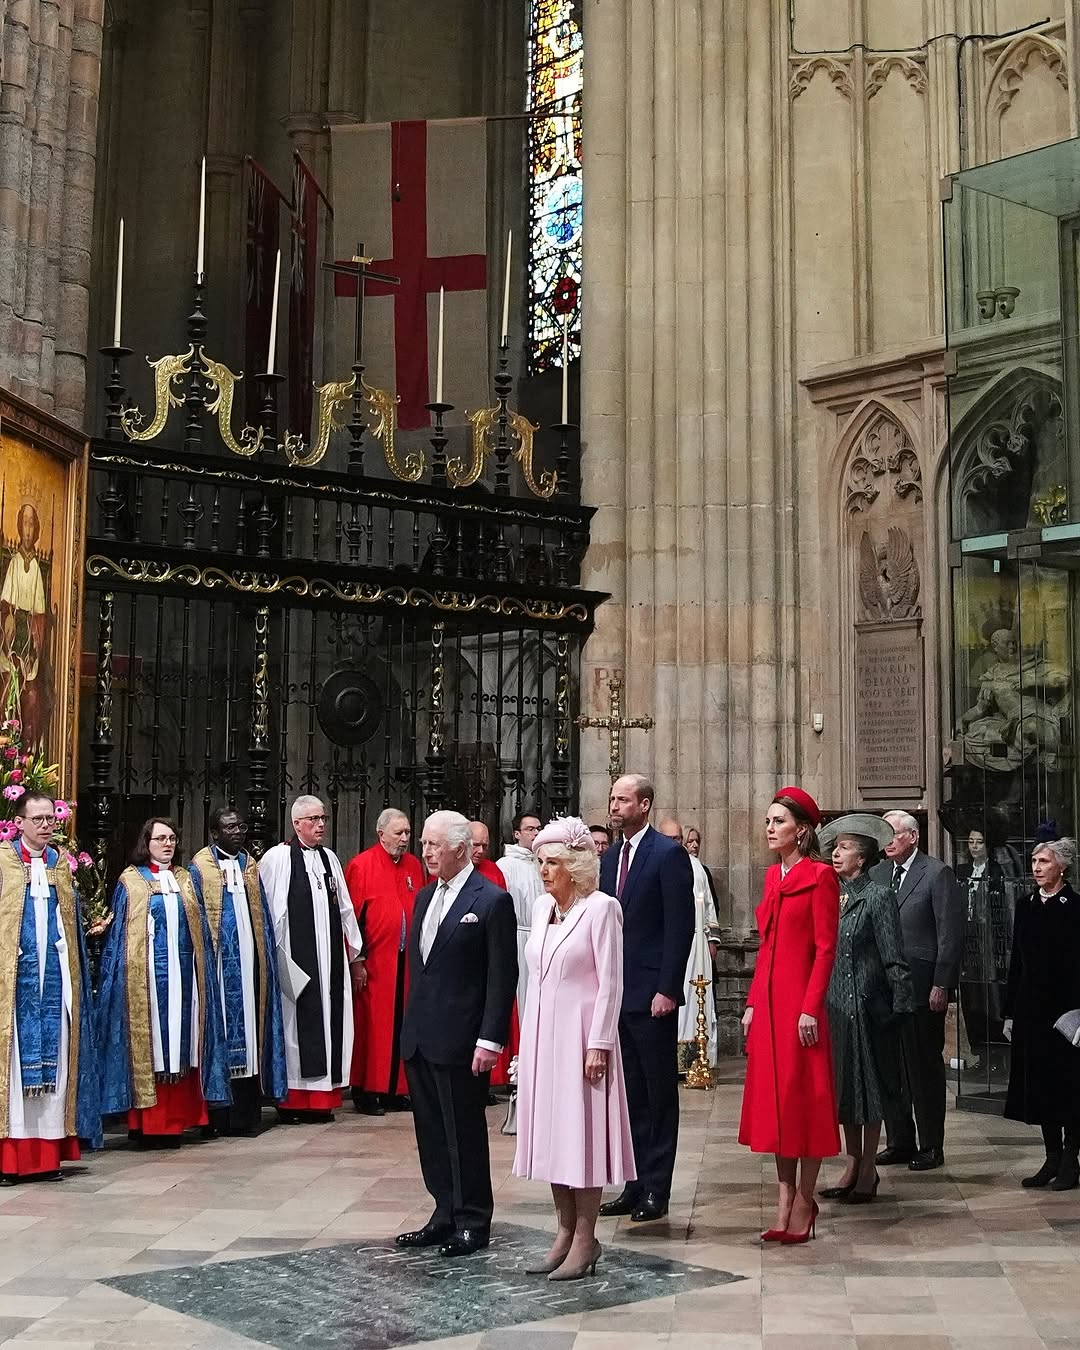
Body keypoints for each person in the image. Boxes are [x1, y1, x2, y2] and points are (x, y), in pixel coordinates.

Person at [514, 817, 634, 1281]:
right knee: (553, 1136)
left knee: (583, 1138)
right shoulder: (544, 910)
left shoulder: (601, 908)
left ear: (577, 866)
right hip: (545, 1036)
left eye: (554, 863)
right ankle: (563, 1231)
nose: (544, 871)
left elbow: (611, 981)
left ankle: (586, 1236)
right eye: (541, 862)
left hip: (584, 1038)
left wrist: (600, 1042)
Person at [396, 811, 517, 1258]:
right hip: (423, 1035)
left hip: (464, 1039)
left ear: (461, 848)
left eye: (433, 844)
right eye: (423, 843)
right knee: (430, 1131)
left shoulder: (490, 900)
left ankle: (472, 1218)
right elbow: (422, 970)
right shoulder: (425, 898)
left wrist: (491, 1038)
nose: (425, 851)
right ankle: (443, 1211)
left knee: (463, 1132)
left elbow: (501, 976)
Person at [738, 787, 840, 1243]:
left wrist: (810, 1008)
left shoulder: (819, 877)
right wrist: (753, 1004)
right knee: (776, 1104)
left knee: (806, 1102)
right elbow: (767, 949)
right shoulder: (771, 878)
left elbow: (825, 949)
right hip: (771, 1007)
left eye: (778, 821)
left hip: (801, 1009)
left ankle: (804, 1199)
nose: (770, 828)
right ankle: (781, 1202)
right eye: (767, 820)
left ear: (801, 829)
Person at [97, 817, 229, 1144]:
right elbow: (121, 938)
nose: (167, 844)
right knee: (150, 1047)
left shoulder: (186, 880)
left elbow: (198, 932)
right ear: (147, 843)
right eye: (160, 839)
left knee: (182, 1046)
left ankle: (177, 1121)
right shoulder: (131, 881)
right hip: (147, 983)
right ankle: (145, 1123)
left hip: (184, 980)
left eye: (171, 838)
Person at [597, 775, 694, 1223]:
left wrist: (668, 988)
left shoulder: (668, 854)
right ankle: (633, 1184)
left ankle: (657, 1187)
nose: (614, 806)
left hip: (651, 993)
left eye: (622, 799)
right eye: (612, 798)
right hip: (617, 991)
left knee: (657, 1097)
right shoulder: (612, 856)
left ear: (645, 804)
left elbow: (680, 926)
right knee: (629, 1094)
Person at [0, 791, 100, 1182]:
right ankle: (11, 1160)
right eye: (38, 819)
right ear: (19, 821)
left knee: (55, 1065)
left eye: (50, 819)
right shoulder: (4, 862)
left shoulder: (60, 864)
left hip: (55, 978)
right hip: (13, 984)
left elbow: (67, 921)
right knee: (13, 1068)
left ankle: (44, 1158)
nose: (45, 826)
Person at [818, 813, 913, 1204]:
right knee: (844, 1091)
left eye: (844, 848)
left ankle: (868, 1167)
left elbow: (894, 956)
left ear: (862, 858)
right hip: (834, 1007)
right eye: (835, 847)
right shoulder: (828, 894)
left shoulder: (878, 896)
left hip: (868, 1007)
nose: (836, 854)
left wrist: (902, 1005)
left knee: (869, 1090)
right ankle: (851, 1162)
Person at [258, 796, 365, 1123]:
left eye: (323, 819)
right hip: (294, 958)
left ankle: (322, 1100)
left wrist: (356, 953)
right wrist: (274, 958)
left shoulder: (330, 859)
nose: (321, 825)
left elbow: (345, 908)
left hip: (329, 959)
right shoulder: (277, 859)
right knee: (296, 1029)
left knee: (330, 1022)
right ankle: (292, 1103)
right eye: (314, 819)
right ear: (296, 824)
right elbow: (265, 910)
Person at [871, 810, 963, 1172]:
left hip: (923, 985)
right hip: (884, 988)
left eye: (892, 833)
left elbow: (950, 934)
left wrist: (942, 982)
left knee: (923, 1067)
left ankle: (931, 1144)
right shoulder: (877, 874)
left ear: (913, 836)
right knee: (890, 1066)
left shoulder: (936, 873)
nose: (887, 840)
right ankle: (899, 1140)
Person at [189, 807, 287, 1135]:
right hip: (218, 967)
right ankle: (218, 1116)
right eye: (229, 827)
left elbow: (263, 919)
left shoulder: (250, 865)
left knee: (251, 1031)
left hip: (250, 964)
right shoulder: (200, 867)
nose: (238, 832)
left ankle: (247, 1115)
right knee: (222, 1031)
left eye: (240, 826)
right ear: (214, 832)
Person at [1003, 837, 1080, 1191]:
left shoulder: (1075, 907)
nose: (1036, 867)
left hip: (1067, 1013)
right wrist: (1009, 1013)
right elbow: (1016, 962)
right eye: (1034, 860)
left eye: (1044, 861)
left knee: (1069, 1086)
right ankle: (1051, 1158)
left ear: (1062, 866)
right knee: (1041, 1087)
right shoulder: (1026, 905)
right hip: (1031, 1009)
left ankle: (1070, 1159)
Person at [344, 809, 424, 1116]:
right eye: (398, 833)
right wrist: (357, 960)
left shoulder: (413, 866)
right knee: (373, 1028)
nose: (404, 839)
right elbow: (352, 919)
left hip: (404, 960)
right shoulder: (361, 865)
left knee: (402, 1025)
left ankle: (396, 1089)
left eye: (406, 833)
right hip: (375, 961)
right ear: (381, 835)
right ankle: (366, 1090)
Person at [658, 818, 719, 1068]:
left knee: (696, 1000)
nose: (677, 843)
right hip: (665, 945)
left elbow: (708, 908)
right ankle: (670, 1060)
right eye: (670, 839)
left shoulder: (696, 867)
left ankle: (696, 1059)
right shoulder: (657, 863)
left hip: (696, 944)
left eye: (678, 839)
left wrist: (711, 940)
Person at [956, 827, 1011, 1053]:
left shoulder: (996, 870)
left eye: (979, 841)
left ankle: (994, 1025)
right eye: (971, 841)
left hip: (988, 931)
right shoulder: (961, 869)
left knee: (990, 979)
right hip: (967, 933)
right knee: (971, 982)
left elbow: (1003, 904)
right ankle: (976, 1028)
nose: (974, 846)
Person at [0, 503, 48, 747]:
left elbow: (40, 612)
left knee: (31, 691)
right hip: (14, 632)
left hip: (30, 632)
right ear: (19, 527)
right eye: (24, 523)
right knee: (9, 684)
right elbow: (6, 602)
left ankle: (28, 744)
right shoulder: (15, 563)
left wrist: (33, 633)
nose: (28, 530)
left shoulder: (37, 568)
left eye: (32, 524)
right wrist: (9, 615)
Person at [499, 811, 545, 1018]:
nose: (536, 833)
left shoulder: (545, 862)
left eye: (538, 828)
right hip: (518, 937)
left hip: (543, 936)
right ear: (517, 834)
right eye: (530, 829)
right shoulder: (505, 865)